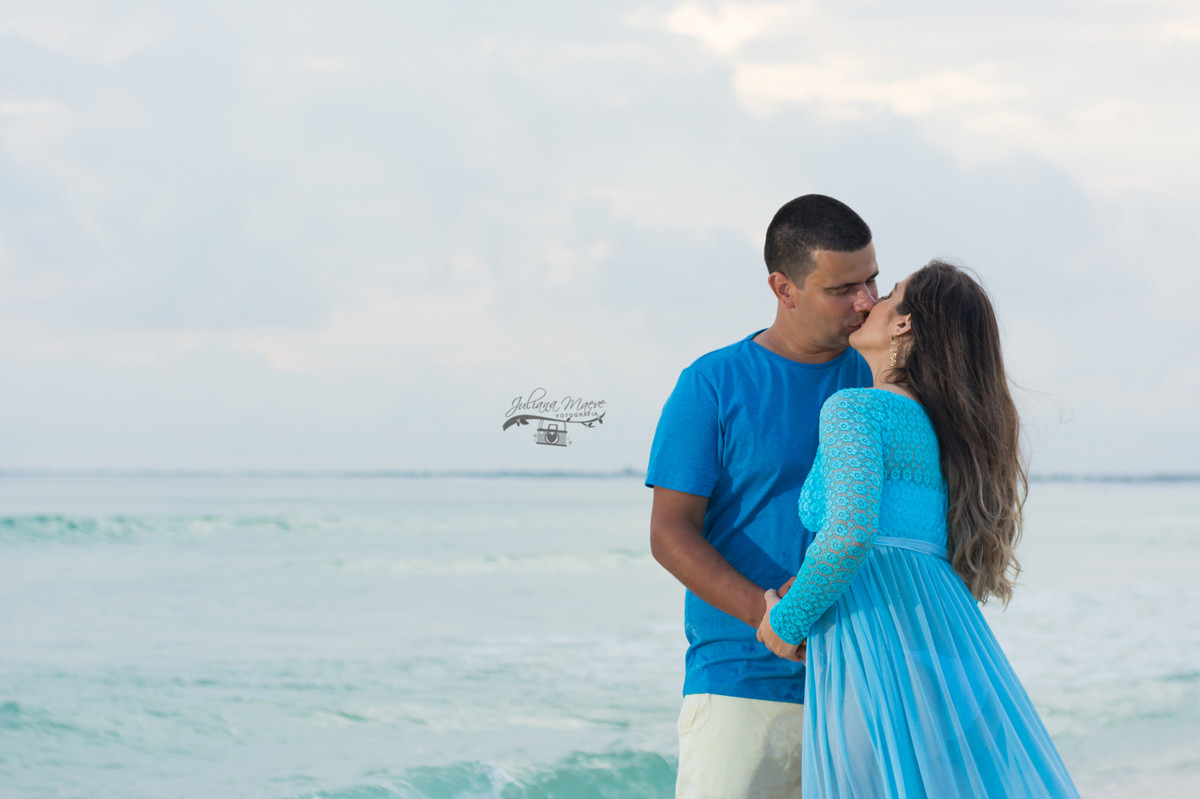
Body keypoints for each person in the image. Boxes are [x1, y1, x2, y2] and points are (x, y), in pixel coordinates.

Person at [757, 261, 1079, 797]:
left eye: (888, 296)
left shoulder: (853, 408)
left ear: (903, 325)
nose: (868, 302)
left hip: (871, 642)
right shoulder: (942, 433)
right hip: (943, 640)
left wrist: (784, 624)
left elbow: (850, 535)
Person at [647, 194, 879, 798]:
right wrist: (767, 612)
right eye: (843, 288)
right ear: (784, 287)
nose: (866, 302)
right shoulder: (712, 383)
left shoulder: (885, 378)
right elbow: (670, 532)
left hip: (866, 686)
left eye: (873, 280)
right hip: (740, 685)